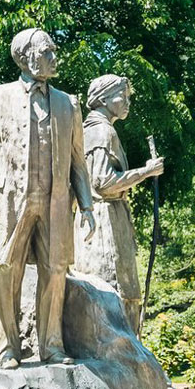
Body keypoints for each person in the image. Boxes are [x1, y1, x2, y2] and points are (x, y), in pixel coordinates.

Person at [0, 28, 96, 369]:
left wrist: (86, 205)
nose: (55, 57)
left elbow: (78, 161)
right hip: (10, 200)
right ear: (28, 56)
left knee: (55, 270)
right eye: (48, 51)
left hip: (55, 200)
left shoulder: (67, 104)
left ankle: (52, 345)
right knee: (5, 269)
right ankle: (6, 348)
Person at [73, 74, 164, 332]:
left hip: (109, 217)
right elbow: (102, 182)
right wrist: (145, 172)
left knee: (122, 295)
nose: (127, 102)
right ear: (103, 99)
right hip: (104, 222)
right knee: (113, 294)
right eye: (121, 97)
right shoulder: (101, 131)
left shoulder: (98, 129)